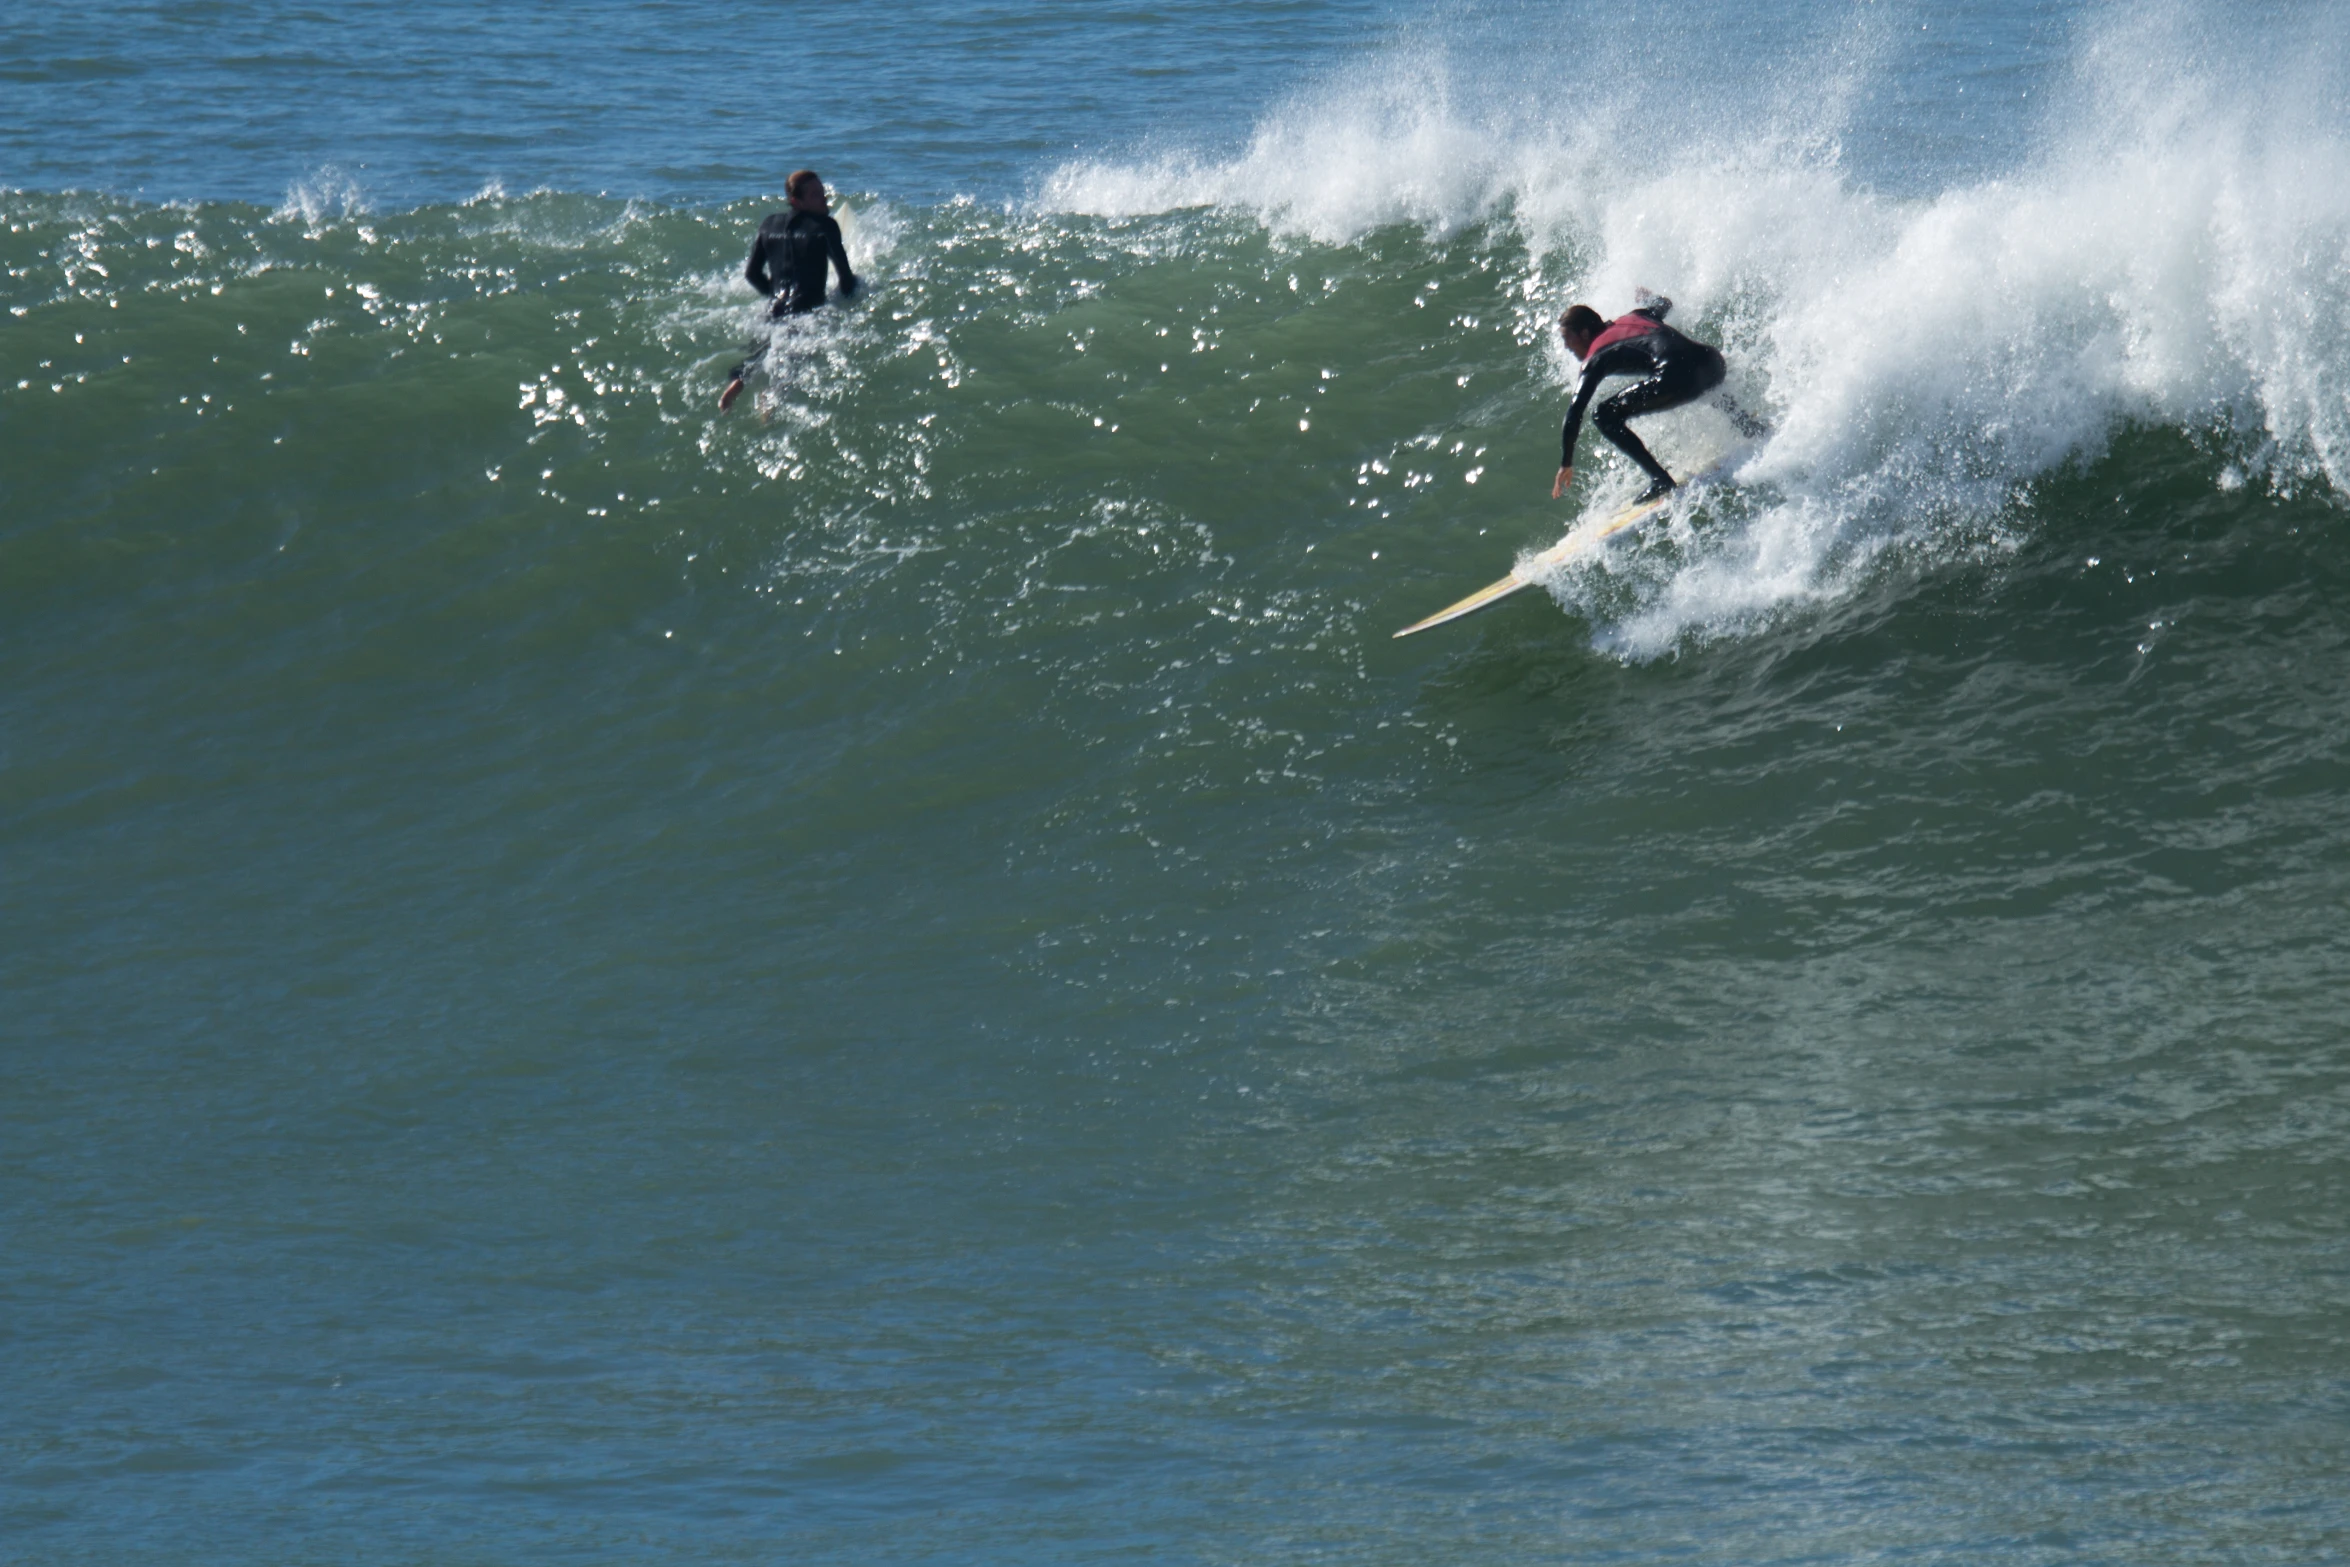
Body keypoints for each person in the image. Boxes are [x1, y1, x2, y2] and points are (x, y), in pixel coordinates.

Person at [1552, 290, 1767, 504]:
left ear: (1585, 334)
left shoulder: (1595, 357)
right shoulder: (1635, 317)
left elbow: (1574, 412)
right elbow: (1664, 303)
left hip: (1679, 374)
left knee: (1603, 415)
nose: (1566, 347)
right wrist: (1647, 297)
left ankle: (1660, 479)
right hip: (1712, 362)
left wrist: (1566, 463)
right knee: (1693, 373)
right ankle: (1748, 425)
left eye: (1567, 338)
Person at [718, 169, 860, 412]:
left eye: (823, 192)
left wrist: (774, 293)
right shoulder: (825, 226)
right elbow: (845, 278)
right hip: (806, 312)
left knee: (760, 352)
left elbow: (751, 274)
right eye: (816, 195)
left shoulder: (769, 224)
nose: (824, 198)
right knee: (790, 365)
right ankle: (768, 407)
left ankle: (737, 382)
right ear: (797, 201)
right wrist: (850, 300)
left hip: (774, 310)